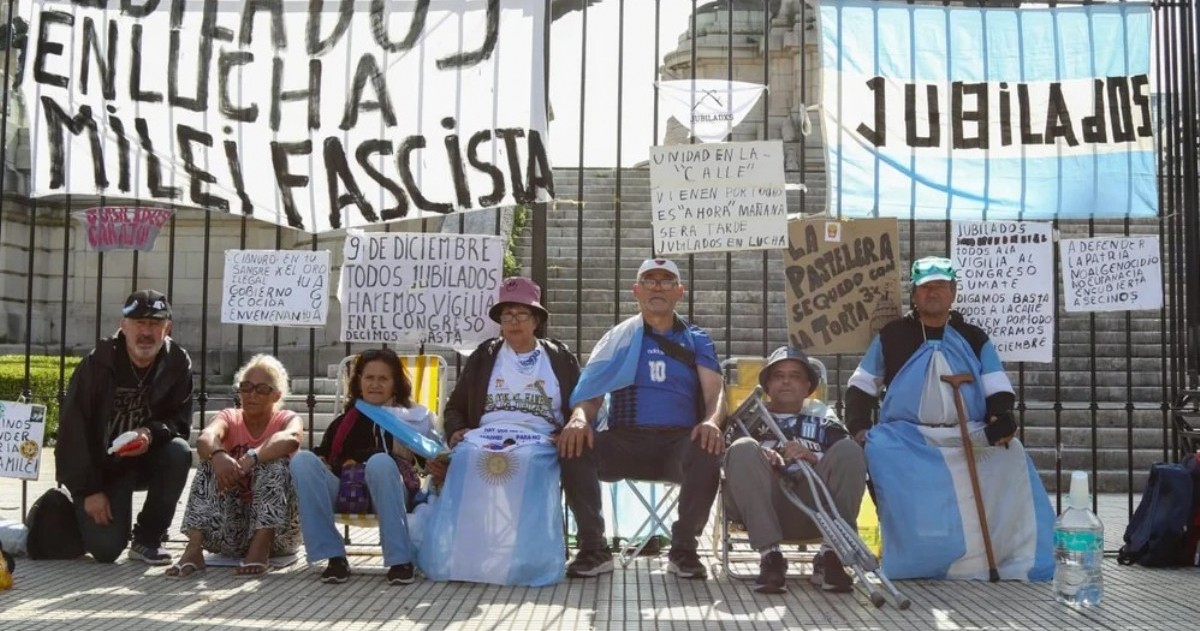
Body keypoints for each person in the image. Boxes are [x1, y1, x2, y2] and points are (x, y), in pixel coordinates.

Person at [844, 256, 1054, 581]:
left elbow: (996, 385)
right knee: (880, 449)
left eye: (940, 286)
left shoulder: (973, 337)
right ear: (914, 294)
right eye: (925, 287)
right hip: (908, 437)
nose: (933, 293)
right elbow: (861, 385)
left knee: (1012, 457)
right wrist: (858, 427)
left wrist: (1000, 417)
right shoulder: (892, 334)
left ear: (953, 292)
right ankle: (915, 556)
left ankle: (1006, 553)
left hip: (966, 433)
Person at [559, 258, 725, 580]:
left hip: (679, 442)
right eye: (650, 280)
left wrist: (712, 422)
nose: (658, 286)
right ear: (637, 291)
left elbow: (715, 394)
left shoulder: (697, 339)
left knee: (708, 447)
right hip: (626, 440)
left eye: (666, 280)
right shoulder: (618, 337)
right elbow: (591, 393)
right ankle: (593, 548)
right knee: (574, 445)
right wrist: (579, 418)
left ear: (680, 291)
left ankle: (684, 550)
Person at [420, 276, 579, 586]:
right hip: (487, 435)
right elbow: (454, 408)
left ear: (536, 320)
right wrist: (455, 430)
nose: (514, 322)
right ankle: (464, 556)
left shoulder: (558, 357)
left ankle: (529, 560)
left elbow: (581, 404)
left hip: (539, 437)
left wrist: (569, 428)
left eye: (522, 314)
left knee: (530, 462)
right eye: (507, 316)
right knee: (465, 458)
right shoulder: (485, 355)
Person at [56, 289, 194, 565]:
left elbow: (179, 421)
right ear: (123, 325)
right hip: (102, 467)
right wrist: (88, 491)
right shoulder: (98, 363)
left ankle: (148, 539)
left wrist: (150, 433)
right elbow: (73, 430)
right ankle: (59, 506)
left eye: (154, 324)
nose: (146, 332)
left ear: (167, 328)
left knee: (179, 452)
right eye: (139, 323)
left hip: (147, 458)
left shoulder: (177, 362)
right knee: (105, 551)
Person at [723, 346, 866, 594]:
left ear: (808, 385)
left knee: (850, 450)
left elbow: (845, 467)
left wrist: (814, 457)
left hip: (814, 509)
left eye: (795, 375)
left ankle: (830, 557)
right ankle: (771, 558)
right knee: (743, 448)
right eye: (778, 375)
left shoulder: (825, 418)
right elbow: (723, 459)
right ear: (767, 384)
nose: (786, 381)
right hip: (762, 507)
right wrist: (759, 456)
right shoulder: (749, 418)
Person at [290, 348, 437, 585]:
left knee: (380, 463)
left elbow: (430, 459)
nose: (375, 384)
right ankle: (334, 557)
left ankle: (400, 560)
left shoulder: (412, 419)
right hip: (349, 491)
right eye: (369, 378)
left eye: (383, 378)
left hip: (392, 492)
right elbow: (326, 456)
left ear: (395, 384)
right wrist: (323, 462)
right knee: (302, 460)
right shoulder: (345, 421)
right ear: (359, 382)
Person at [166, 354, 303, 578]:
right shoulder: (230, 417)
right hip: (230, 532)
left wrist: (252, 457)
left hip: (280, 534)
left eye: (261, 389)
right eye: (246, 387)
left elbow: (292, 438)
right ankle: (193, 549)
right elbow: (206, 439)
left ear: (276, 395)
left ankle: (261, 548)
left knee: (274, 464)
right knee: (208, 464)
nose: (251, 394)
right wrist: (219, 455)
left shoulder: (285, 418)